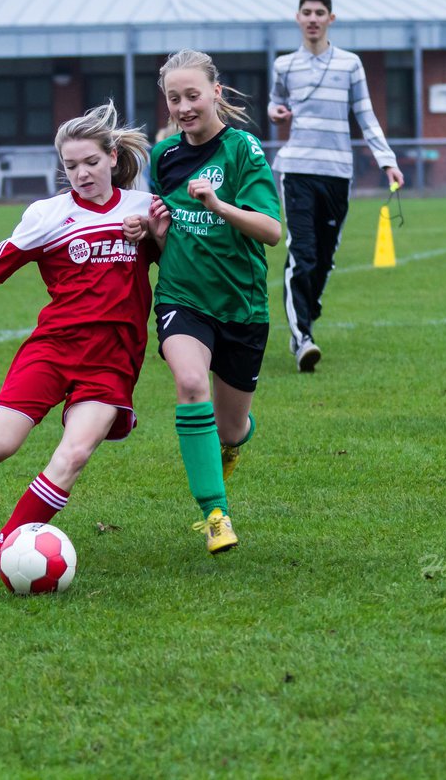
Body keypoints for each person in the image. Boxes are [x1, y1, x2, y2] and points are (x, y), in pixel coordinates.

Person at [0, 102, 154, 576]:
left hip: (112, 361)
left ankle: (1, 549)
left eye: (91, 162)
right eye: (71, 166)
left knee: (74, 455)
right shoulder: (46, 216)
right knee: (0, 446)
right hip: (53, 350)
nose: (81, 173)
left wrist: (157, 232)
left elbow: (184, 262)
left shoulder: (145, 210)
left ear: (114, 156)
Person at [131, 49, 282, 555]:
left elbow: (272, 231)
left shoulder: (244, 150)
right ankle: (216, 515)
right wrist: (150, 233)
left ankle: (233, 442)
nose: (183, 106)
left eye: (192, 95)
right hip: (182, 297)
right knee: (190, 382)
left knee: (231, 427)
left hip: (241, 305)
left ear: (215, 92)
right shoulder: (164, 156)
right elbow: (162, 244)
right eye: (174, 98)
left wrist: (218, 205)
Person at [269, 0, 404, 372]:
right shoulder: (284, 66)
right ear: (297, 18)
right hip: (296, 170)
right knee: (303, 253)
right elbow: (275, 101)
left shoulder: (350, 64)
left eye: (319, 12)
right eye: (306, 12)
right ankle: (302, 339)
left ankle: (307, 310)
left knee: (324, 260)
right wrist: (276, 112)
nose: (312, 18)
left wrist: (387, 161)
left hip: (337, 172)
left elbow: (366, 115)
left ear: (331, 18)